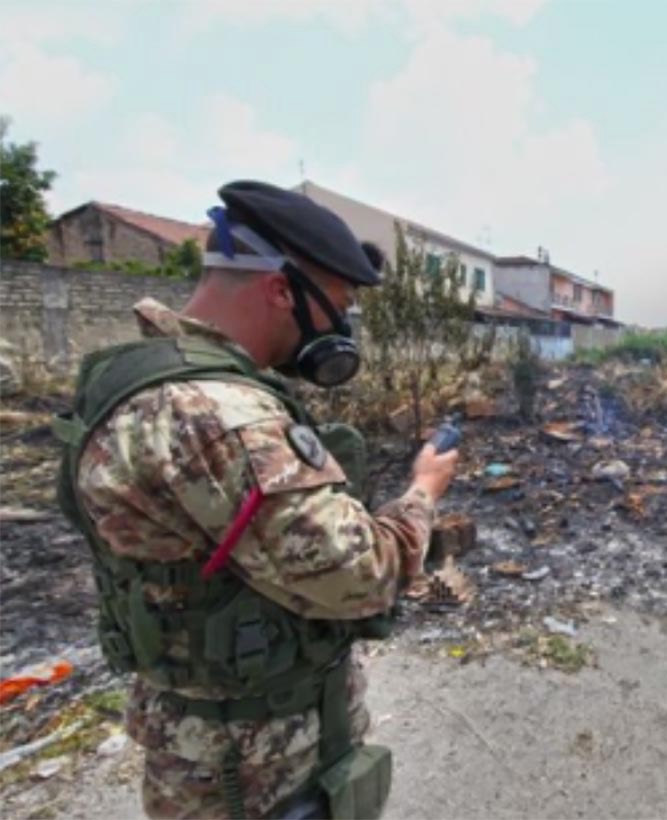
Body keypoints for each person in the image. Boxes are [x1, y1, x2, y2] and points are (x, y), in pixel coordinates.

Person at [54, 181, 455, 819]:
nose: (340, 328)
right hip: (255, 762)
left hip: (207, 743)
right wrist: (423, 493)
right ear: (279, 289)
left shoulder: (133, 377)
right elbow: (361, 577)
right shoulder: (222, 416)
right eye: (338, 304)